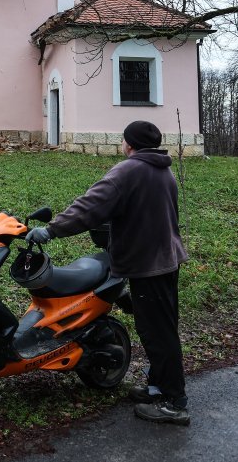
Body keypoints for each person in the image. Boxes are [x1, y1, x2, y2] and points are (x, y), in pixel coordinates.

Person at [26, 120, 190, 426]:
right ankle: (157, 387)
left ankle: (174, 402)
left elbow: (89, 207)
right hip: (166, 258)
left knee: (158, 333)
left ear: (129, 144)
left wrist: (51, 230)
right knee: (158, 328)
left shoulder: (128, 171)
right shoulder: (162, 169)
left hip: (148, 264)